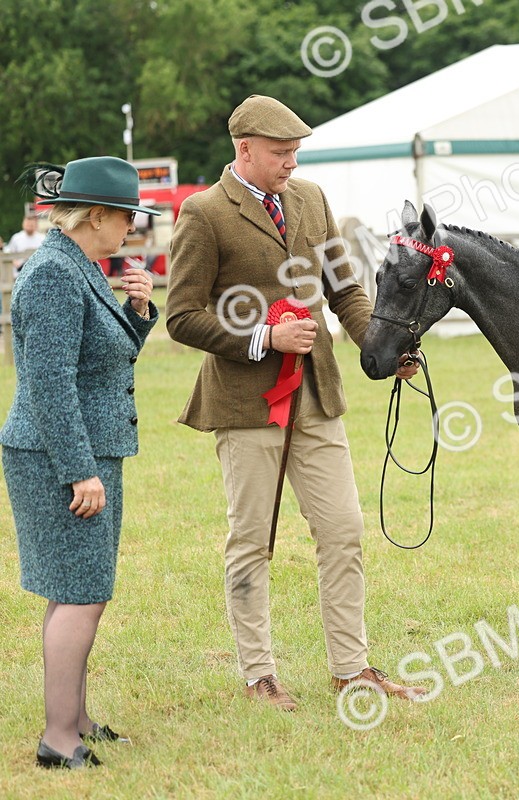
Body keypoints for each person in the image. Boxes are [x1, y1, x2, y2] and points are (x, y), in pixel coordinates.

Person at [166, 95, 425, 710]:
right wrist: (262, 338)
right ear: (244, 150)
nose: (291, 163)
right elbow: (180, 316)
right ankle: (259, 676)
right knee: (252, 539)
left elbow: (344, 289)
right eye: (280, 154)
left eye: (296, 153)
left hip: (317, 397)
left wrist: (382, 348)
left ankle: (351, 668)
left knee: (343, 531)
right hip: (245, 402)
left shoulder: (311, 199)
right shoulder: (203, 214)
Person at [1, 157, 160, 769]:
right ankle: (58, 738)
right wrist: (78, 468)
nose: (132, 229)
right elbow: (49, 384)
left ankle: (77, 718)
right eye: (127, 217)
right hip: (60, 456)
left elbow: (101, 359)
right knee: (80, 594)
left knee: (79, 589)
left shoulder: (78, 266)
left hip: (81, 450)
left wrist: (138, 316)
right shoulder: (52, 275)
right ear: (96, 215)